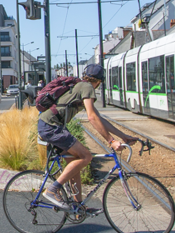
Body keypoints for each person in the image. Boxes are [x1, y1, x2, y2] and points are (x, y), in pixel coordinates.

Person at [37, 64, 132, 210]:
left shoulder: (81, 85)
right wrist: (111, 141)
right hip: (51, 126)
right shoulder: (88, 88)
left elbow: (100, 119)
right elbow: (92, 117)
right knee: (86, 156)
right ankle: (52, 189)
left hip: (50, 125)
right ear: (99, 81)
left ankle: (77, 207)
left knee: (75, 164)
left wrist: (123, 136)